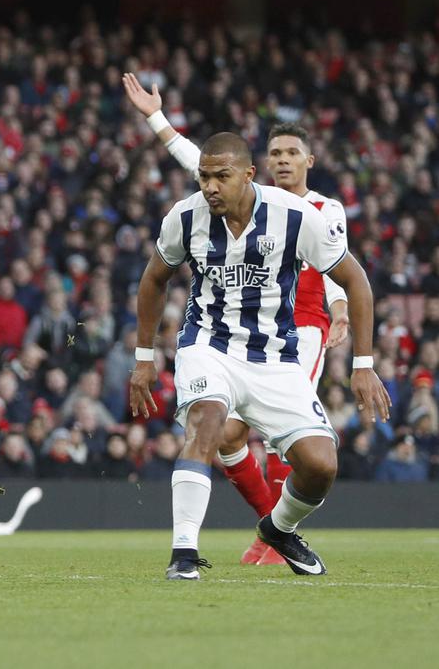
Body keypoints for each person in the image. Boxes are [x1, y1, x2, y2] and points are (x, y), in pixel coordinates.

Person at [130, 133, 390, 580]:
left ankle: (277, 528)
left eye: (221, 177)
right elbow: (155, 278)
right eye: (204, 176)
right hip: (207, 344)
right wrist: (143, 356)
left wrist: (363, 366)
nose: (210, 186)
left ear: (248, 175)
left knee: (321, 464)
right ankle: (184, 553)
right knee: (207, 423)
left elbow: (356, 280)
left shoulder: (295, 216)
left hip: (274, 357)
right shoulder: (185, 216)